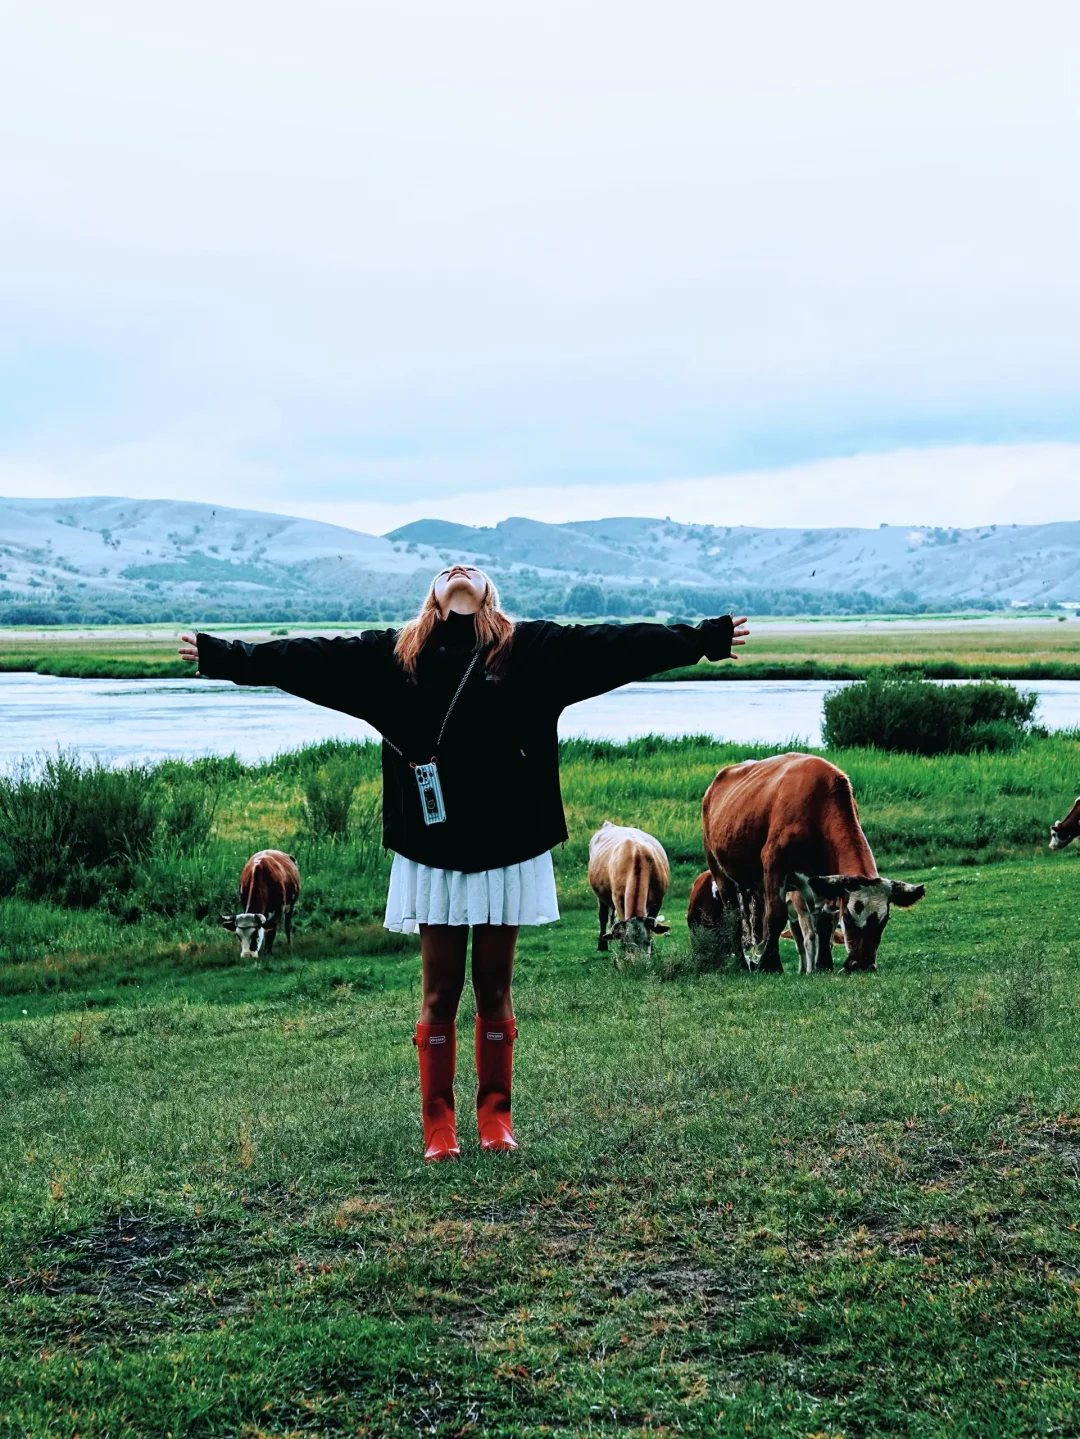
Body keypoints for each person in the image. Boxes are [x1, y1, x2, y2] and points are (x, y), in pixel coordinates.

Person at [179, 567, 749, 1162]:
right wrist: (228, 655)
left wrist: (701, 640)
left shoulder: (529, 651)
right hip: (435, 852)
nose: (458, 571)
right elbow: (310, 660)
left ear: (488, 594)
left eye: (471, 569)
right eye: (447, 570)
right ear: (431, 594)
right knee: (439, 993)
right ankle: (439, 1127)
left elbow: (614, 647)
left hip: (507, 847)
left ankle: (495, 1119)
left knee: (495, 988)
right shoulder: (396, 658)